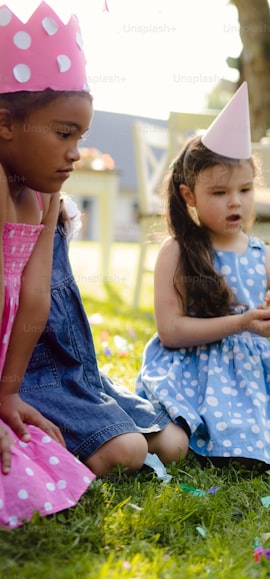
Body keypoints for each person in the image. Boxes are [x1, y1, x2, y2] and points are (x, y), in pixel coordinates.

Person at [135, 84, 270, 468]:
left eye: (245, 189)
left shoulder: (268, 257)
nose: (235, 201)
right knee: (193, 450)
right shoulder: (178, 250)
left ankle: (240, 447)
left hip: (250, 375)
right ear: (189, 195)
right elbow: (170, 331)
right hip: (189, 370)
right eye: (219, 192)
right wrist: (242, 323)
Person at [0, 1, 96, 526]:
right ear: (5, 125)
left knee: (44, 466)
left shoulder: (39, 198)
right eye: (64, 134)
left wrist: (8, 394)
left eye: (79, 137)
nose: (76, 152)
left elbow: (33, 299)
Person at [20, 195, 190, 476]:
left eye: (75, 147)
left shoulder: (50, 201)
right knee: (128, 452)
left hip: (77, 375)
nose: (74, 155)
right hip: (33, 382)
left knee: (175, 445)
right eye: (63, 146)